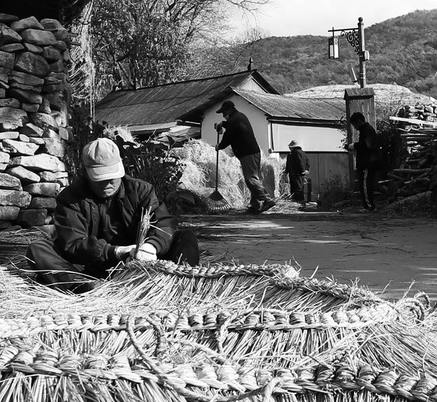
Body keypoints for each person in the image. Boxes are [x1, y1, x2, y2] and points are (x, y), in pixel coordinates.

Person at [27, 138, 199, 290]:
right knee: (38, 249)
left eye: (112, 177)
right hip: (92, 268)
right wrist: (116, 251)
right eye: (100, 179)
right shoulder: (70, 199)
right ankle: (87, 288)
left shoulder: (141, 190)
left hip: (143, 266)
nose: (107, 183)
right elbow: (73, 243)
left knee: (186, 238)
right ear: (86, 172)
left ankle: (176, 285)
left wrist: (151, 246)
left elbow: (163, 223)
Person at [215, 100, 275, 214]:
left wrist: (219, 146)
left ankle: (267, 199)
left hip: (248, 153)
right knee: (253, 178)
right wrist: (223, 123)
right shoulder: (239, 117)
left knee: (250, 179)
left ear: (229, 110)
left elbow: (228, 137)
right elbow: (234, 127)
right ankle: (255, 205)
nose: (223, 115)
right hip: (252, 151)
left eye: (224, 112)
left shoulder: (233, 120)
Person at [349, 111, 379, 212]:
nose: (354, 127)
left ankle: (369, 206)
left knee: (366, 184)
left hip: (368, 162)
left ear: (358, 121)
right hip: (367, 161)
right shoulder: (366, 130)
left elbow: (366, 145)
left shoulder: (367, 130)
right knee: (366, 184)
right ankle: (368, 205)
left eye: (354, 124)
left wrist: (354, 146)